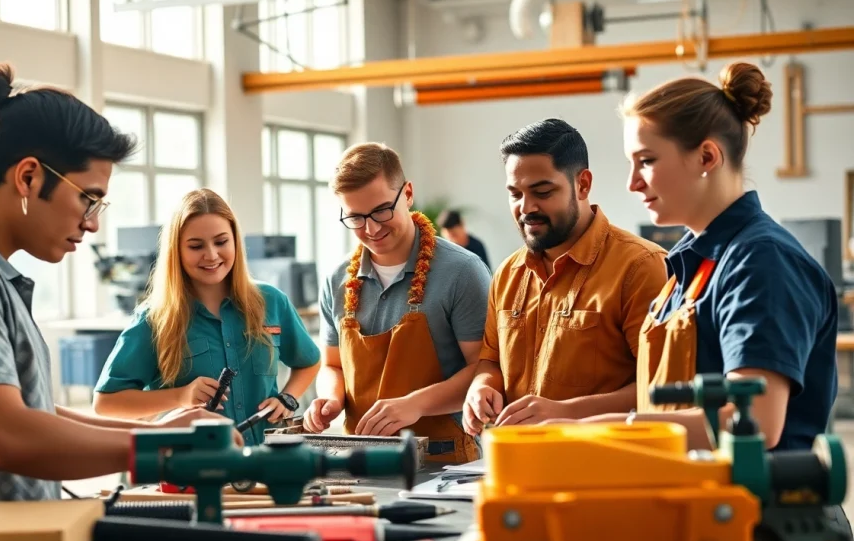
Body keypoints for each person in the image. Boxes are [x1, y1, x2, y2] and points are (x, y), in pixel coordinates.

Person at [0, 63, 236, 541]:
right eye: (88, 199)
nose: (93, 224)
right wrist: (164, 449)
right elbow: (5, 435)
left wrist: (166, 427)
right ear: (30, 176)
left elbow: (31, 409)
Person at [559, 62, 841, 457]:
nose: (632, 182)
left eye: (647, 160)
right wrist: (568, 417)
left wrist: (609, 430)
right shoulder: (689, 267)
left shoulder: (760, 262)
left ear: (707, 157)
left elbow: (756, 421)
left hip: (763, 513)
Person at [462, 118, 668, 436]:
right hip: (519, 468)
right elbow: (491, 362)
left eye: (542, 192)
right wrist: (482, 388)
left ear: (583, 184)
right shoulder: (507, 275)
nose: (526, 207)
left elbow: (663, 390)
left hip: (608, 471)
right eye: (515, 194)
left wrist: (566, 414)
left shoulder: (641, 268)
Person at [302, 142, 491, 464]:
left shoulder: (462, 271)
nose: (371, 228)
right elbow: (333, 365)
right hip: (358, 459)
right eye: (356, 218)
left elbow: (484, 368)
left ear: (407, 193)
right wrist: (330, 399)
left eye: (380, 211)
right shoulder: (337, 280)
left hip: (443, 462)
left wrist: (415, 404)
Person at [92, 188, 322, 445]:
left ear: (235, 241)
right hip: (191, 466)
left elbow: (308, 361)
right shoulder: (155, 319)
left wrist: (288, 397)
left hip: (264, 461)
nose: (211, 255)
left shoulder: (271, 301)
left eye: (221, 242)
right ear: (176, 251)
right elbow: (106, 403)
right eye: (196, 246)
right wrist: (181, 396)